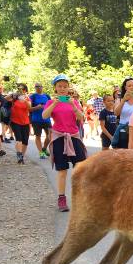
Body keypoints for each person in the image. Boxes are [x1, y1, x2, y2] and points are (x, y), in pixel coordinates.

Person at [42, 74, 87, 212]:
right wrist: (55, 103)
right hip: (59, 137)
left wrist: (73, 105)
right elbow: (45, 116)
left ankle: (81, 198)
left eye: (65, 86)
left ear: (68, 88)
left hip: (73, 137)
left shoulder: (74, 102)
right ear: (55, 88)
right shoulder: (51, 102)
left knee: (80, 169)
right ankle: (62, 198)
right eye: (59, 86)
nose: (62, 89)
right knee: (62, 170)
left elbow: (82, 118)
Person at [112, 77, 133, 149]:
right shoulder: (119, 98)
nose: (132, 87)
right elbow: (116, 113)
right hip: (123, 130)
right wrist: (124, 100)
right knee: (123, 155)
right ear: (125, 87)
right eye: (129, 86)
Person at [11, 84, 33, 164]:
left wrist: (25, 99)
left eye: (23, 89)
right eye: (19, 89)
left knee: (25, 141)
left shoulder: (27, 98)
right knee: (19, 139)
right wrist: (13, 94)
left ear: (25, 90)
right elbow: (5, 99)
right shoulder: (15, 98)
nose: (21, 91)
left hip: (25, 122)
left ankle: (22, 156)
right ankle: (19, 155)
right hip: (15, 121)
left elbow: (29, 108)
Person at [30, 82, 52, 159]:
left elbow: (52, 105)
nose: (38, 87)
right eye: (37, 86)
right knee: (38, 136)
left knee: (50, 136)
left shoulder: (47, 96)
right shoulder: (32, 96)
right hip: (36, 120)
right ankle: (41, 152)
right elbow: (29, 109)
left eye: (40, 86)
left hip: (47, 119)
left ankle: (44, 148)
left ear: (42, 87)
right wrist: (37, 107)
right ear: (35, 88)